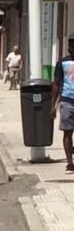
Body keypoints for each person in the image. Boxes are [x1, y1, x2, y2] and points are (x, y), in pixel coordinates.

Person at [52, 37, 74, 173]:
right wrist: (53, 105)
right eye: (71, 44)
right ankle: (70, 162)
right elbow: (56, 83)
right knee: (67, 133)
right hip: (67, 101)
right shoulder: (62, 63)